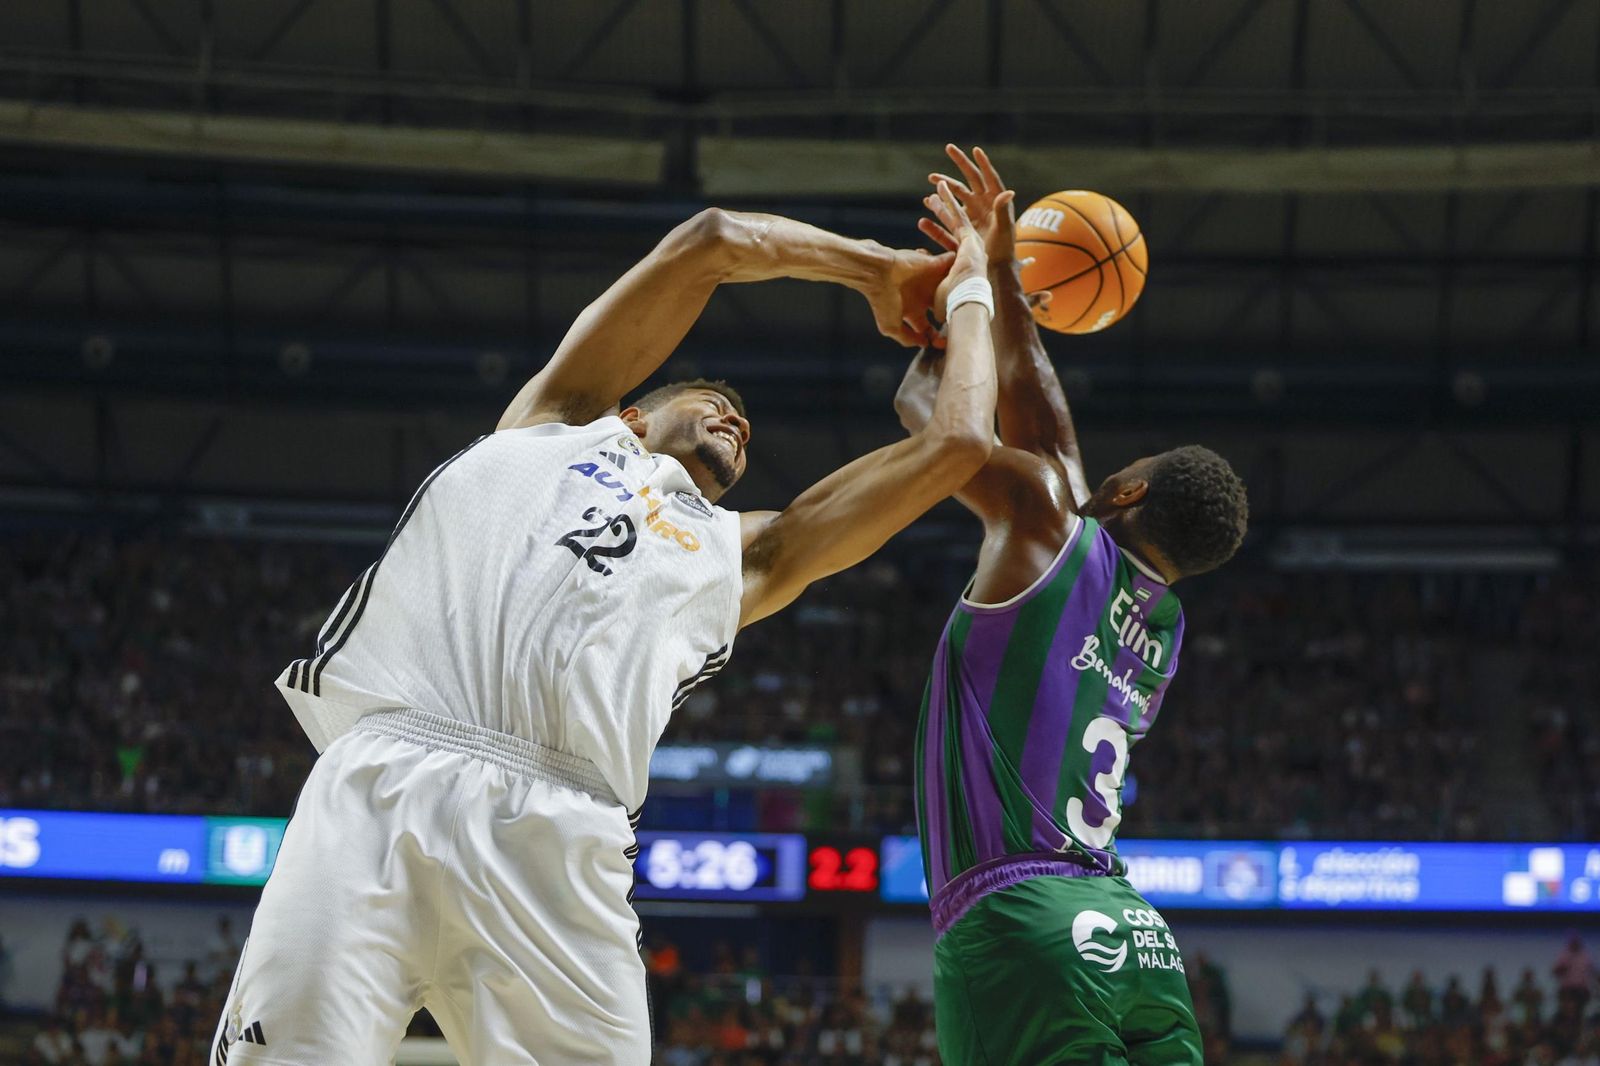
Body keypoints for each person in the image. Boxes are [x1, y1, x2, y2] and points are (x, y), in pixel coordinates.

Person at [212, 187, 998, 1065]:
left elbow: (959, 445)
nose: (736, 419)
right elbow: (712, 239)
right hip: (384, 787)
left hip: (564, 840)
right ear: (629, 415)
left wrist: (972, 293)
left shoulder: (747, 556)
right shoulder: (551, 426)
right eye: (710, 399)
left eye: (743, 426)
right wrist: (880, 269)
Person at [895, 145, 1249, 1065]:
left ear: (1126, 493)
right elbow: (1050, 433)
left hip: (1025, 923)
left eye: (1120, 472)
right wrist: (1006, 276)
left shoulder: (1052, 529)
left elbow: (937, 421)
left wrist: (960, 304)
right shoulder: (1162, 623)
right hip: (1136, 939)